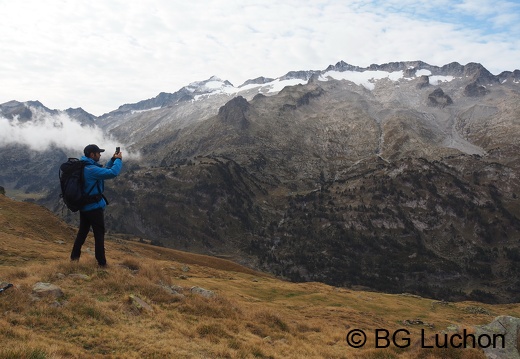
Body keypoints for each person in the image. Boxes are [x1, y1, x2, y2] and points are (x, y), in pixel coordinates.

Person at [70, 144, 123, 267]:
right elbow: (112, 173)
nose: (100, 155)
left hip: (84, 207)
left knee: (82, 233)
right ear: (92, 154)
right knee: (99, 235)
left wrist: (113, 160)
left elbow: (104, 172)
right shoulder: (91, 169)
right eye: (98, 153)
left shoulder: (86, 167)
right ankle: (102, 263)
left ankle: (74, 259)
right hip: (94, 208)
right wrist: (119, 160)